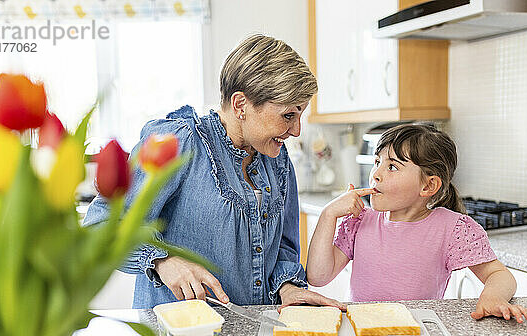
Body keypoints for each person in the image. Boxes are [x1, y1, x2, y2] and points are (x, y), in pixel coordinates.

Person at [84, 34, 344, 310]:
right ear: (241, 105)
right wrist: (162, 261)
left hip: (253, 335)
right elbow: (99, 227)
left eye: (300, 114)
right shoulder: (177, 143)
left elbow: (283, 248)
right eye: (288, 115)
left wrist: (287, 287)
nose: (297, 130)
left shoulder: (277, 159)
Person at [306, 123, 527, 323]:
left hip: (417, 334)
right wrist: (328, 215)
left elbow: (499, 274)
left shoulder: (453, 229)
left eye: (392, 166)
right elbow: (318, 276)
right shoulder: (359, 221)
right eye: (377, 161)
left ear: (428, 186)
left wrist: (493, 297)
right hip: (361, 332)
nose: (375, 173)